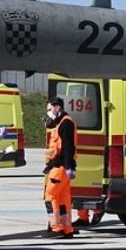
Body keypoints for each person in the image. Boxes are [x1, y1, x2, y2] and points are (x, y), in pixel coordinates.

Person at [42, 97, 77, 239]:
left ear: (57, 108)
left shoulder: (65, 123)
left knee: (50, 196)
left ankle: (56, 228)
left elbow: (68, 147)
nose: (49, 113)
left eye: (50, 109)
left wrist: (68, 165)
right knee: (63, 199)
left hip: (60, 167)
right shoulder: (61, 123)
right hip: (61, 166)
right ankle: (66, 228)